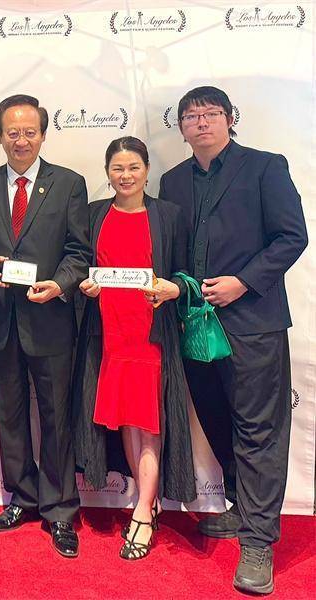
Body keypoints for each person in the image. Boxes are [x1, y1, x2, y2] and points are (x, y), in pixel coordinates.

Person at [159, 86, 308, 594]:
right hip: (196, 324)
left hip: (253, 323)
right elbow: (174, 250)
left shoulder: (265, 167)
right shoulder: (173, 181)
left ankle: (259, 541)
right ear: (181, 127)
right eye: (191, 116)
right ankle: (243, 506)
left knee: (258, 430)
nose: (201, 122)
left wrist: (243, 282)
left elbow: (292, 237)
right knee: (216, 418)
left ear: (229, 118)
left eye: (211, 113)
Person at [0, 94, 91, 558]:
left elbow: (79, 251)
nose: (21, 140)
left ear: (42, 134)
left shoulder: (69, 183)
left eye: (29, 132)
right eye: (12, 133)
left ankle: (60, 509)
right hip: (2, 319)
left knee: (57, 416)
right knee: (10, 413)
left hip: (51, 319)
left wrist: (60, 285)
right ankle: (22, 496)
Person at [72, 136, 196, 560]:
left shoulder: (168, 215)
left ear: (146, 171)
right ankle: (148, 500)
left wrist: (173, 288)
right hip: (109, 336)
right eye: (118, 169)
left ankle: (143, 510)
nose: (125, 176)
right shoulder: (93, 214)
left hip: (151, 336)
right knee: (127, 420)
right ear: (108, 173)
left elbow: (185, 273)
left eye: (133, 168)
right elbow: (82, 265)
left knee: (149, 423)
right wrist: (86, 286)